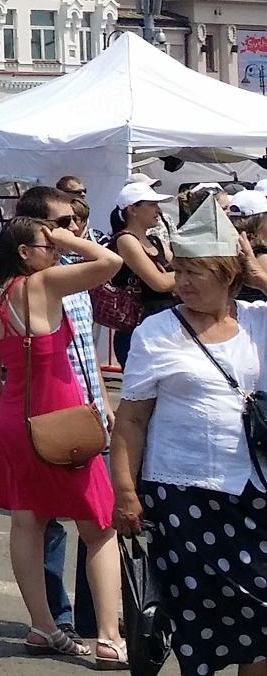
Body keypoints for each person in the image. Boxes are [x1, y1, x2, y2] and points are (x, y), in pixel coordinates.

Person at [112, 194, 266, 676]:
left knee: (261, 621)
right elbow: (132, 419)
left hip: (255, 491)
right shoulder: (156, 332)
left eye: (195, 272)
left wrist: (259, 276)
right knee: (199, 624)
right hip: (182, 496)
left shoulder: (259, 322)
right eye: (178, 270)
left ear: (228, 273)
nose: (181, 282)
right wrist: (125, 492)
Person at [0, 208, 127, 665]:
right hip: (62, 419)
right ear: (25, 253)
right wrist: (68, 238)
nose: (57, 251)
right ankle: (108, 636)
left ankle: (43, 626)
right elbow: (111, 263)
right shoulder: (41, 285)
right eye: (48, 246)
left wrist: (54, 239)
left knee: (27, 523)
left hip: (14, 421)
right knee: (99, 527)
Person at [106, 182, 177, 368]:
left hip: (161, 324)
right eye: (152, 204)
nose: (158, 209)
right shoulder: (126, 240)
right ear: (133, 209)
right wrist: (183, 277)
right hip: (139, 328)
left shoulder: (154, 240)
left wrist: (176, 277)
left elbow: (177, 272)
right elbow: (159, 283)